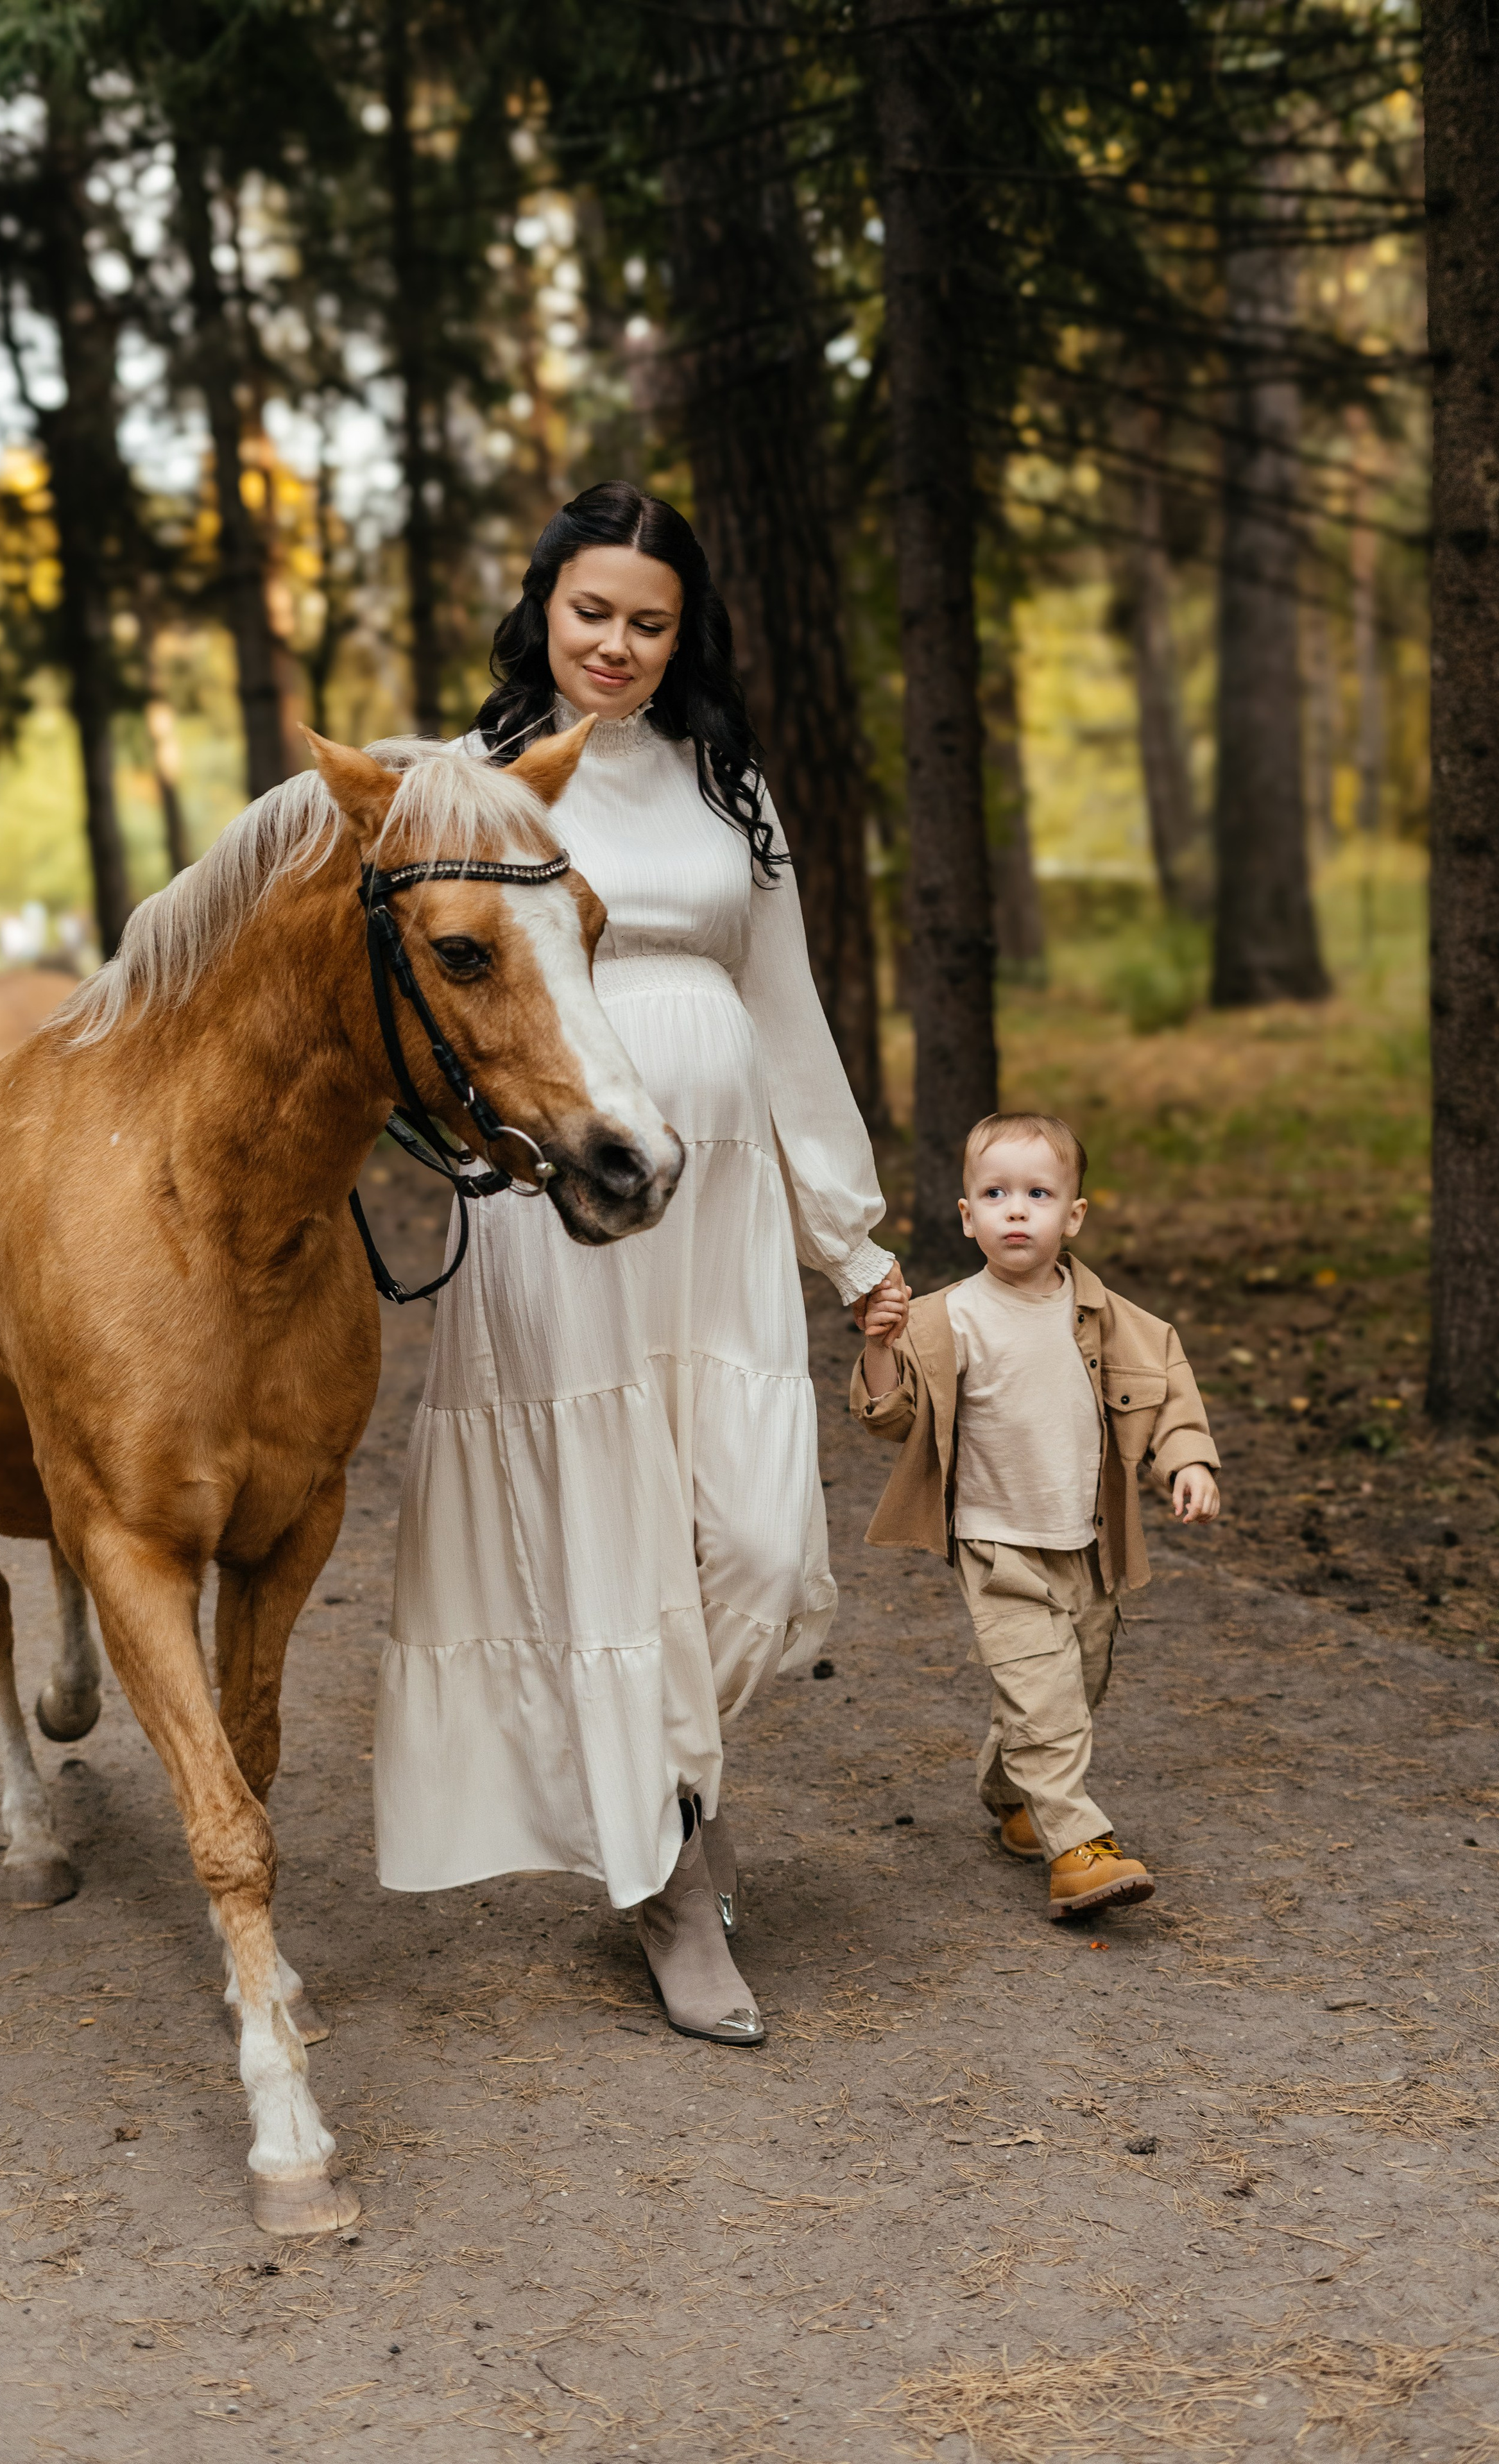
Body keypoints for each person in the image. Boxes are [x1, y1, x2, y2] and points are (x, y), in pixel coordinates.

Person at [375, 483, 900, 2044]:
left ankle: (671, 1788)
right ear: (541, 605)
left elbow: (789, 1009)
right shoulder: (465, 781)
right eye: (590, 609)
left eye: (648, 621)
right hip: (559, 1202)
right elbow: (413, 992)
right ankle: (669, 1876)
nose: (615, 643)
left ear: (686, 637)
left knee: (746, 1539)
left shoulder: (726, 781)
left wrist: (850, 1238)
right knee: (601, 1532)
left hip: (722, 1203)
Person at [850, 1111, 1219, 1919]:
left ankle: (1014, 1797)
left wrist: (1186, 1460)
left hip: (1088, 1546)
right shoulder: (943, 1319)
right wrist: (878, 1346)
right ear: (967, 1215)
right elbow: (888, 1416)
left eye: (1038, 1193)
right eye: (995, 1193)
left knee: (1076, 1687)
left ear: (1073, 1215)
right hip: (995, 1544)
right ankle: (1078, 1848)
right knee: (1042, 1697)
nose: (1016, 1210)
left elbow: (1168, 1398)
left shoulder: (1119, 1323)